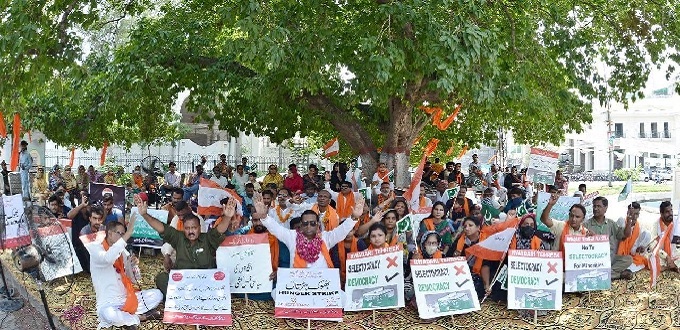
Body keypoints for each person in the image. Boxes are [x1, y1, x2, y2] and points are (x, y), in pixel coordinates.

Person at [136, 195, 237, 297]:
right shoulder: (178, 238)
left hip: (205, 285)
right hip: (182, 285)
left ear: (199, 227)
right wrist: (145, 215)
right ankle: (179, 300)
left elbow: (220, 230)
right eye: (187, 228)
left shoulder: (208, 238)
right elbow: (161, 228)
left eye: (194, 228)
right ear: (183, 228)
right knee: (162, 278)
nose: (190, 231)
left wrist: (227, 217)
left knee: (222, 279)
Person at [86, 219, 163, 329]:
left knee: (157, 294)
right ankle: (140, 317)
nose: (123, 237)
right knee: (108, 314)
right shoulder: (96, 249)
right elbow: (108, 258)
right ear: (110, 233)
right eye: (120, 234)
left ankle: (127, 318)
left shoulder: (123, 251)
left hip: (126, 298)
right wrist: (128, 234)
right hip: (108, 303)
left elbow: (134, 279)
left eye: (124, 234)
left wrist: (133, 266)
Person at [260, 196, 364, 269]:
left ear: (318, 224)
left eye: (312, 223)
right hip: (298, 285)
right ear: (300, 225)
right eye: (305, 223)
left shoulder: (326, 238)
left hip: (321, 285)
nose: (309, 226)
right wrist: (264, 217)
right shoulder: (292, 237)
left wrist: (354, 217)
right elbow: (276, 229)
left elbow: (342, 231)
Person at [584, 196, 633, 280]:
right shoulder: (586, 225)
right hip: (594, 260)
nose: (595, 209)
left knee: (628, 259)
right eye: (594, 206)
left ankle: (602, 274)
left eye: (598, 206)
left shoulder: (611, 224)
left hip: (610, 258)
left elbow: (625, 235)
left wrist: (629, 221)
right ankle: (617, 275)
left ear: (605, 208)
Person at [330, 219, 367, 288]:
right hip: (340, 278)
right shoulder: (336, 245)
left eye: (350, 231)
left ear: (354, 231)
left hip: (358, 278)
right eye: (345, 231)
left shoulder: (360, 243)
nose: (347, 234)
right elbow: (335, 264)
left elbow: (365, 263)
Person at [616, 202, 650, 273]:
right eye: (632, 214)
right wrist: (629, 222)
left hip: (630, 257)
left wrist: (639, 250)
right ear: (628, 213)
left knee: (647, 234)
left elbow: (633, 250)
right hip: (617, 254)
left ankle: (626, 268)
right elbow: (619, 240)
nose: (634, 217)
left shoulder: (639, 228)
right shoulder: (621, 221)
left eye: (637, 214)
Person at [648, 201, 678, 272]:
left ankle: (673, 265)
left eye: (671, 210)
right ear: (661, 214)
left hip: (675, 253)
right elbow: (652, 245)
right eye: (667, 212)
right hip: (662, 255)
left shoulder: (677, 222)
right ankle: (672, 266)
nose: (670, 213)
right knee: (651, 258)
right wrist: (667, 257)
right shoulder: (656, 225)